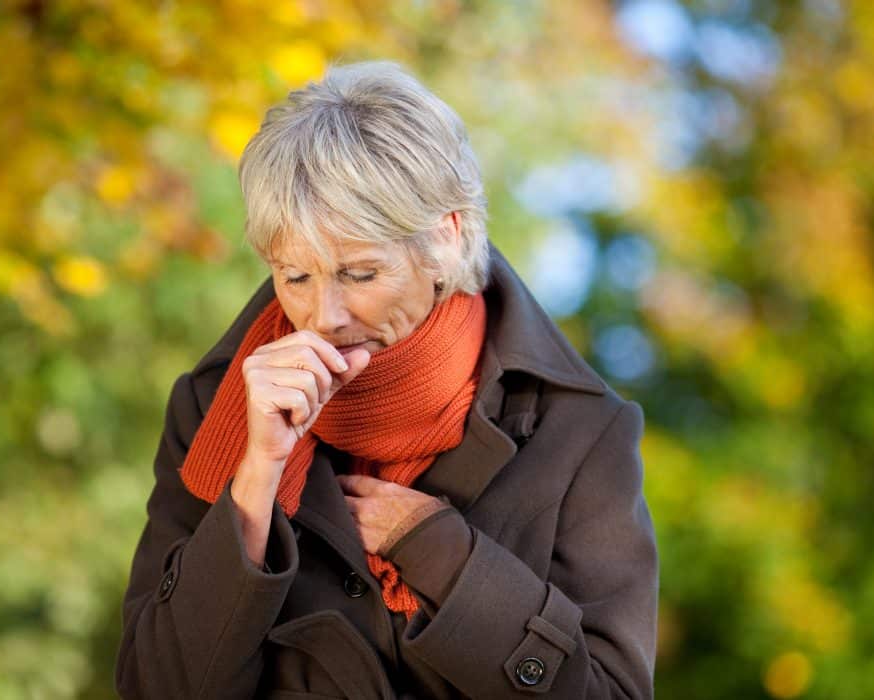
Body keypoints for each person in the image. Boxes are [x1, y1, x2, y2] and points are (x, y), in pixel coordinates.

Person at [116, 61, 657, 699]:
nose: (324, 318)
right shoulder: (213, 407)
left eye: (360, 274)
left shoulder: (581, 429)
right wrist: (256, 477)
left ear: (445, 239)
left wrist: (442, 554)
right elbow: (156, 688)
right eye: (296, 277)